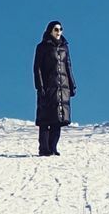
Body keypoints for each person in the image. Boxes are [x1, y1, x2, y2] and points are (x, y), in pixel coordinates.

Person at [33, 20, 76, 156]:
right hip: (47, 87)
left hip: (62, 88)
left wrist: (72, 85)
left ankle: (53, 147)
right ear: (50, 31)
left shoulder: (65, 47)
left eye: (60, 29)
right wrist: (40, 86)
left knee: (59, 119)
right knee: (46, 119)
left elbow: (68, 67)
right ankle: (44, 149)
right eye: (56, 29)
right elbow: (37, 68)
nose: (58, 32)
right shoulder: (42, 47)